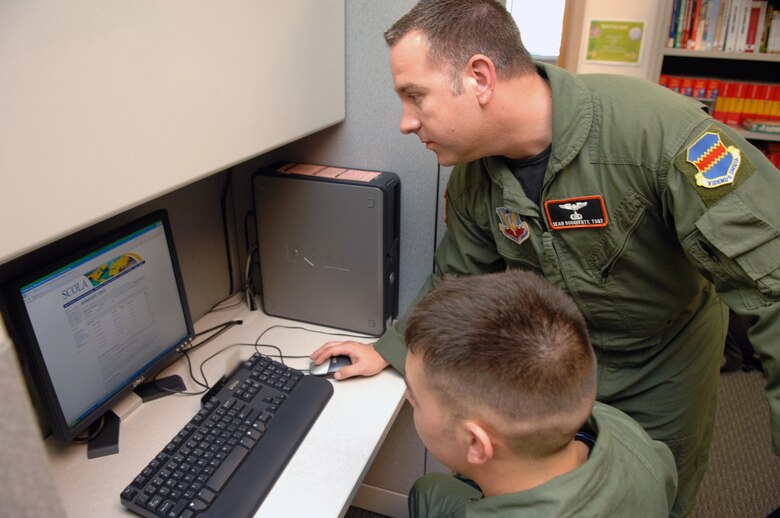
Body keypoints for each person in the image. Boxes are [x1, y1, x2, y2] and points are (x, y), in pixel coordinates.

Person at [310, 1, 780, 515]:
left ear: (480, 77)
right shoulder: (476, 175)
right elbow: (459, 277)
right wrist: (391, 348)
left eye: (414, 96)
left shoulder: (654, 134)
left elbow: (773, 283)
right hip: (549, 363)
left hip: (659, 362)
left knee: (650, 494)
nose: (405, 122)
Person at [402, 269, 677, 517]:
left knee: (427, 492)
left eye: (415, 397)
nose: (409, 397)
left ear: (476, 442)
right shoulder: (625, 430)